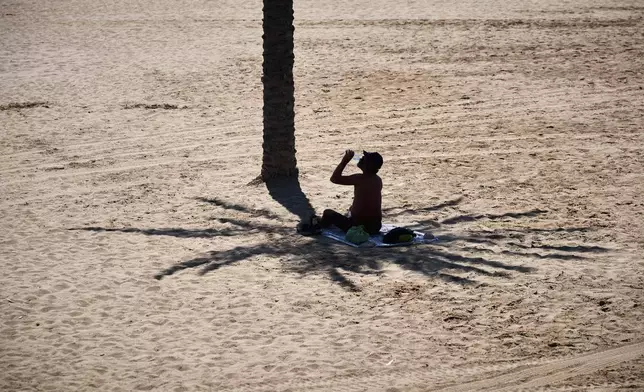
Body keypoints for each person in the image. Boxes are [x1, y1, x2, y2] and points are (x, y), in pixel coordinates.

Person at [319, 149, 383, 235]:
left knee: (328, 213)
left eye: (363, 159)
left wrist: (344, 161)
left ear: (367, 165)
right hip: (375, 227)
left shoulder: (359, 178)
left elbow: (334, 179)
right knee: (351, 209)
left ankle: (319, 226)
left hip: (358, 226)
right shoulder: (378, 180)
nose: (360, 159)